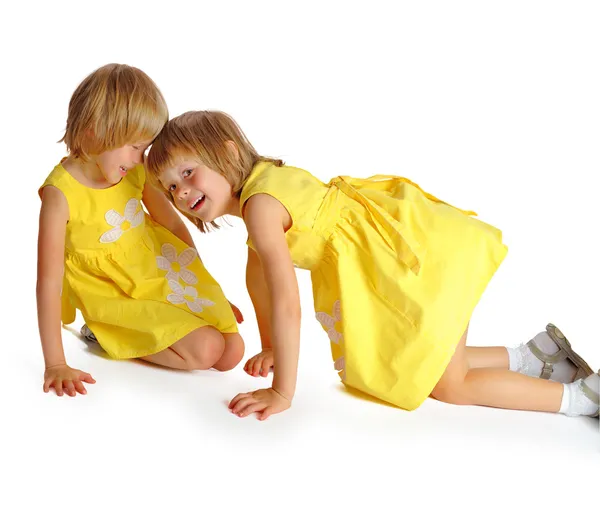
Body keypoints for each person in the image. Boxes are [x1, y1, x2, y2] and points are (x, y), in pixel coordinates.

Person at [146, 110, 598, 421]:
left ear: (226, 152)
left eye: (188, 173)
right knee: (427, 359)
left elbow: (287, 302)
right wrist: (269, 346)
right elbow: (259, 279)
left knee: (447, 385)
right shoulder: (262, 190)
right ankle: (534, 357)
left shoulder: (261, 207)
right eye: (169, 189)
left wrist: (282, 389)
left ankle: (580, 399)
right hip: (401, 251)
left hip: (409, 261)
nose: (181, 193)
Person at [37, 67, 244, 398]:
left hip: (154, 270)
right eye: (135, 146)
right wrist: (55, 364)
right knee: (206, 349)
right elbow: (48, 282)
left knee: (231, 351)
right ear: (94, 133)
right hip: (112, 293)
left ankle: (168, 327)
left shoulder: (135, 171)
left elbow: (172, 225)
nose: (139, 158)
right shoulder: (59, 195)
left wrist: (205, 292)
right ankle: (108, 335)